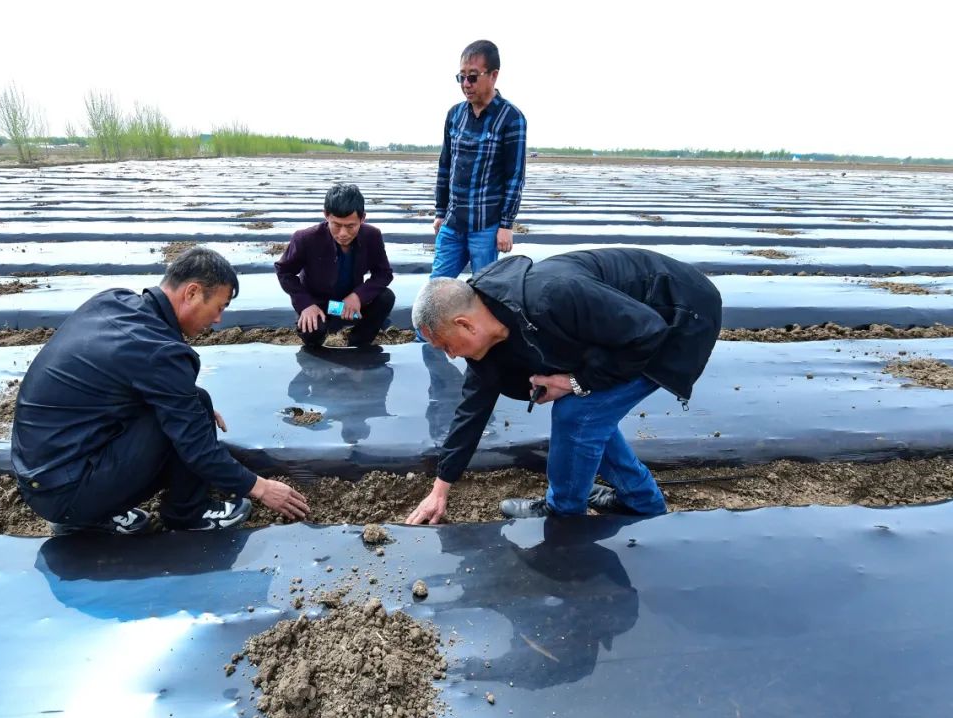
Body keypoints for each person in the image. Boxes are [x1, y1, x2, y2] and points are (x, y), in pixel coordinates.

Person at [403, 248, 722, 524]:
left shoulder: (550, 296)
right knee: (592, 415)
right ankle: (641, 501)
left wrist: (577, 381)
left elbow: (646, 332)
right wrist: (440, 488)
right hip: (624, 328)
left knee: (578, 411)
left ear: (464, 323)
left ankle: (564, 512)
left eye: (446, 345)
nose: (451, 356)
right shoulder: (489, 335)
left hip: (678, 314)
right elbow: (471, 410)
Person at [11, 247, 310, 535]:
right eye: (218, 307)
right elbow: (199, 450)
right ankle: (189, 513)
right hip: (65, 491)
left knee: (193, 403)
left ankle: (90, 511)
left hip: (41, 474)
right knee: (192, 419)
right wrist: (260, 487)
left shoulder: (113, 301)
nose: (218, 320)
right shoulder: (161, 352)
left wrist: (190, 403)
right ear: (191, 292)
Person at [431, 39, 527, 280]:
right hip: (453, 222)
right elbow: (445, 166)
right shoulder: (455, 115)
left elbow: (514, 177)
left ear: (493, 75)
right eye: (461, 77)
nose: (466, 84)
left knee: (483, 290)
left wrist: (506, 224)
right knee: (437, 289)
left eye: (473, 77)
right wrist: (440, 211)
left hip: (486, 226)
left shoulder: (511, 118)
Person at [275, 183, 395, 348]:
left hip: (349, 306)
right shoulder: (306, 239)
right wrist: (305, 304)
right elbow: (284, 272)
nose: (343, 233)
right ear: (326, 215)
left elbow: (384, 273)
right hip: (322, 306)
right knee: (312, 329)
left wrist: (358, 296)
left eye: (350, 226)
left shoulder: (371, 236)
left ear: (362, 218)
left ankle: (358, 342)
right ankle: (316, 342)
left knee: (385, 297)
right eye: (336, 225)